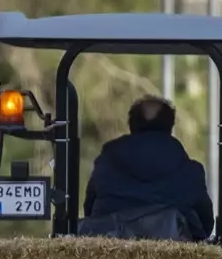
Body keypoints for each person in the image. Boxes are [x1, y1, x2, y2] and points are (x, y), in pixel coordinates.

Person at [81, 95, 214, 241]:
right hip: (174, 255)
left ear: (132, 124)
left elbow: (90, 209)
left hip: (109, 254)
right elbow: (205, 224)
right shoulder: (190, 171)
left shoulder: (106, 162)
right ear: (170, 125)